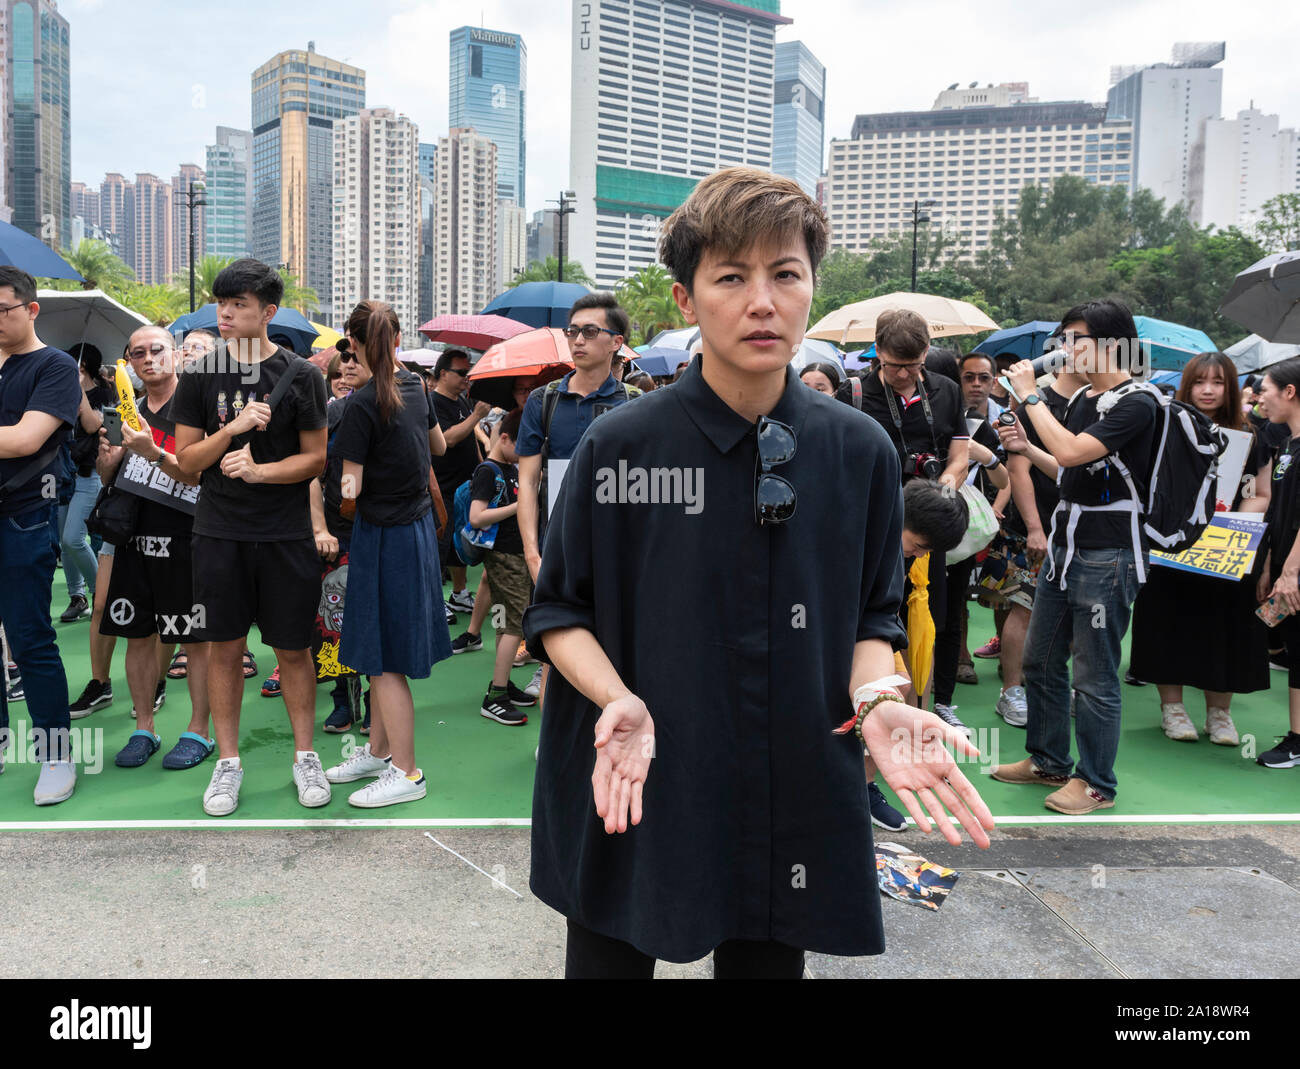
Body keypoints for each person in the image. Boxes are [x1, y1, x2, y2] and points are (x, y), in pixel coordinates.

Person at [523, 166, 993, 979]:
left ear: (812, 286)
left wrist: (880, 703)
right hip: (635, 765)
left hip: (789, 772)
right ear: (686, 298)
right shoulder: (620, 446)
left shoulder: (858, 452)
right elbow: (559, 609)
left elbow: (873, 619)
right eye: (731, 277)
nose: (762, 301)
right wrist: (619, 699)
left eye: (785, 274)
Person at [172, 258, 330, 816]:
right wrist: (233, 430)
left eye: (239, 304)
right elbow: (187, 462)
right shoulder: (200, 374)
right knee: (224, 648)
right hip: (219, 531)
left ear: (268, 311)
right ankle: (229, 762)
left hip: (285, 534)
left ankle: (305, 755)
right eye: (222, 302)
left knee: (293, 649)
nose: (226, 312)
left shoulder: (304, 375)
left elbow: (316, 459)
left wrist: (262, 470)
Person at [992, 299, 1158, 815]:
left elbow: (1071, 452)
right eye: (1063, 339)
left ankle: (1095, 783)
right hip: (1067, 548)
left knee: (1095, 675)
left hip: (1109, 554)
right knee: (1040, 659)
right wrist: (1025, 444)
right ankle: (1048, 760)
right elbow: (1068, 472)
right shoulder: (1087, 397)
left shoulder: (1140, 401)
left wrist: (1029, 395)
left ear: (1112, 344)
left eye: (1075, 338)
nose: (1064, 350)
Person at [322, 300, 449, 806]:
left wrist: (348, 501)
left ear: (352, 343)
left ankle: (408, 773)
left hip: (383, 534)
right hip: (414, 531)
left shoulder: (360, 404)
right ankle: (379, 751)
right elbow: (438, 449)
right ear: (395, 340)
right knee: (379, 649)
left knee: (383, 662)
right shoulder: (418, 387)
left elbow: (349, 487)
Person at [836, 312, 969, 736]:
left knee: (933, 619)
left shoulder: (946, 391)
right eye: (893, 365)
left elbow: (960, 456)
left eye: (912, 366)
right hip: (871, 532)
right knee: (873, 620)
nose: (902, 374)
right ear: (876, 351)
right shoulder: (853, 393)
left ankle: (929, 710)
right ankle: (865, 719)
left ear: (926, 353)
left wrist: (944, 487)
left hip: (927, 526)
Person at [1128, 352, 1270, 744]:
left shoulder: (1253, 435)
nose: (1208, 390)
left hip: (1227, 547)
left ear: (1231, 388)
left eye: (1218, 382)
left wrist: (1233, 522)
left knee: (1224, 624)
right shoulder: (1162, 428)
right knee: (1167, 618)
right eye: (1199, 382)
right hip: (1172, 544)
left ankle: (1219, 714)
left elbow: (1260, 493)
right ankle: (1171, 709)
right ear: (1187, 386)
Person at [95, 326, 215, 769]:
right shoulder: (126, 411)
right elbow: (110, 474)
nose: (149, 360)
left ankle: (199, 731)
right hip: (133, 537)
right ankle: (144, 726)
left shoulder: (200, 407)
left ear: (178, 355)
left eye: (157, 350)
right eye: (138, 353)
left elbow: (201, 475)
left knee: (195, 639)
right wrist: (107, 465)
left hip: (188, 535)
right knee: (137, 635)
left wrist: (152, 451)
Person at [516, 293, 642, 711]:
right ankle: (554, 743)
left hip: (618, 543)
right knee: (557, 636)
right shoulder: (543, 400)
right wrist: (533, 552)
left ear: (616, 342)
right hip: (559, 541)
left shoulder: (635, 403)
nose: (578, 340)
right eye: (573, 331)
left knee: (621, 639)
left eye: (590, 331)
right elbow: (528, 480)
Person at [0, 266, 82, 802]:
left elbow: (27, 439)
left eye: (2, 311)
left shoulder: (54, 366)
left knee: (29, 637)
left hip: (23, 514)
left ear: (31, 309)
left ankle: (54, 753)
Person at [992, 351, 1089, 727]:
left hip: (1079, 530)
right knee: (1024, 607)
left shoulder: (1093, 403)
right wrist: (1035, 527)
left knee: (1073, 612)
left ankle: (1056, 686)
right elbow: (1019, 468)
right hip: (1036, 528)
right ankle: (1011, 691)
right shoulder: (1036, 404)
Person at [468, 408, 536, 725]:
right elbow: (476, 517)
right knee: (515, 624)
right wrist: (517, 506)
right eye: (521, 445)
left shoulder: (510, 466)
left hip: (511, 555)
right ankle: (495, 695)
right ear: (504, 437)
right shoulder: (488, 471)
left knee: (501, 621)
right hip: (505, 556)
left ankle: (503, 682)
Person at [1251, 358, 1300, 768]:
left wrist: (1291, 571)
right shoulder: (1286, 445)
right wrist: (1270, 564)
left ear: (1289, 392)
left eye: (1265, 389)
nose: (1258, 397)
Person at [430, 349, 490, 618]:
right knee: (439, 547)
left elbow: (469, 443)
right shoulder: (433, 403)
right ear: (443, 374)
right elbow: (447, 439)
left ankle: (459, 593)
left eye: (469, 373)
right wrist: (476, 416)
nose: (467, 379)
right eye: (462, 373)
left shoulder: (461, 402)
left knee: (461, 544)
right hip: (443, 487)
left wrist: (480, 468)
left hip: (466, 486)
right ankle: (433, 600)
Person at [58, 343, 112, 623]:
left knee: (74, 538)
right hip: (64, 473)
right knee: (64, 542)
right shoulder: (59, 390)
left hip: (90, 473)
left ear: (85, 366)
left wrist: (78, 389)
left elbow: (93, 425)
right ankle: (76, 597)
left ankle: (101, 594)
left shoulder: (104, 392)